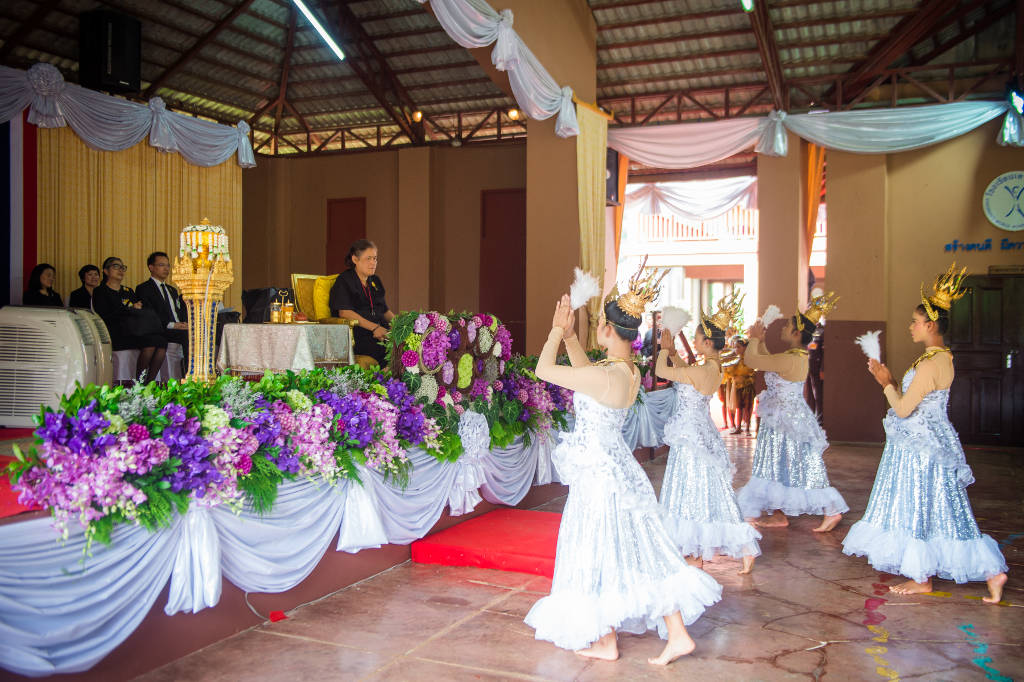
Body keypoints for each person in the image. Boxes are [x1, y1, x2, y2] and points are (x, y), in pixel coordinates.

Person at [524, 265, 721, 667]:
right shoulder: (627, 371)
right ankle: (646, 636)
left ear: (607, 328)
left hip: (601, 478)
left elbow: (545, 370)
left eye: (597, 324)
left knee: (603, 552)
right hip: (617, 471)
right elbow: (586, 374)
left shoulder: (608, 376)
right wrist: (572, 338)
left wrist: (554, 332)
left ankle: (623, 639)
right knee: (632, 550)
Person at [843, 264, 1007, 603]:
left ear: (930, 324)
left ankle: (923, 578)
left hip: (920, 450)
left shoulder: (929, 364)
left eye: (915, 321)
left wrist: (885, 382)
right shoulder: (943, 358)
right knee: (946, 510)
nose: (911, 326)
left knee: (919, 507)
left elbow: (903, 409)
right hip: (935, 443)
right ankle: (992, 573)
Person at [655, 293, 761, 575]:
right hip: (697, 434)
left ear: (706, 342)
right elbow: (685, 372)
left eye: (698, 337)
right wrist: (675, 350)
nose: (696, 339)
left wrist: (665, 349)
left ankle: (710, 551)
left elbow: (661, 370)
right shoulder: (711, 367)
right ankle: (704, 552)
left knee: (694, 493)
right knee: (707, 494)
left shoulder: (703, 371)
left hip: (693, 439)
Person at [736, 293, 848, 532]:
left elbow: (752, 358)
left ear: (797, 334)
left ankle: (832, 510)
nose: (783, 328)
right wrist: (760, 340)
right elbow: (766, 359)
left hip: (787, 420)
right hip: (781, 418)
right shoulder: (791, 357)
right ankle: (779, 514)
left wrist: (754, 339)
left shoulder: (792, 359)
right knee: (777, 465)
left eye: (787, 326)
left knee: (804, 466)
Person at [91, 257, 167, 384]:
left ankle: (149, 382)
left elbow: (138, 311)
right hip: (114, 333)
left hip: (131, 331)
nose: (120, 270)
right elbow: (104, 314)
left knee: (161, 341)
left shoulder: (128, 291)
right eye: (116, 266)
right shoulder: (100, 291)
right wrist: (129, 309)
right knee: (150, 343)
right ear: (105, 271)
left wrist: (135, 308)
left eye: (122, 267)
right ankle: (138, 382)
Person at [329, 239, 394, 365]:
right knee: (389, 352)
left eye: (375, 258)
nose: (373, 263)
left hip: (381, 332)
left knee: (409, 346)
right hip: (359, 335)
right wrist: (375, 328)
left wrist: (402, 325)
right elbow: (345, 312)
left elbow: (385, 311)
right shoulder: (344, 281)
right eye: (368, 258)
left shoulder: (375, 280)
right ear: (355, 259)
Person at [136, 251, 190, 368]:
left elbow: (178, 311)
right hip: (162, 329)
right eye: (161, 265)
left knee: (198, 333)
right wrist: (172, 325)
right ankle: (188, 374)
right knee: (187, 336)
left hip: (178, 328)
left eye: (168, 265)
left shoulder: (172, 290)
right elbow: (150, 314)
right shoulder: (144, 288)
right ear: (151, 267)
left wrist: (184, 323)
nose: (166, 269)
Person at [729, 339, 755, 435]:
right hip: (737, 386)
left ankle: (747, 428)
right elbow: (730, 373)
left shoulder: (750, 359)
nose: (736, 349)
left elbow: (753, 373)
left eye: (738, 347)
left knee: (747, 407)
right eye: (735, 347)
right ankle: (738, 427)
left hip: (747, 386)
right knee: (739, 407)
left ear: (745, 348)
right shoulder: (735, 360)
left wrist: (745, 380)